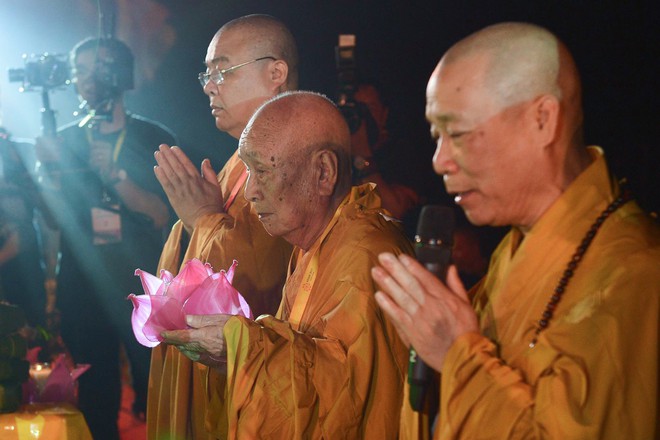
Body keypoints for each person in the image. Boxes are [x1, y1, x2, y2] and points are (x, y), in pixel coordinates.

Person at [371, 22, 660, 439]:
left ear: (542, 119)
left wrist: (457, 354)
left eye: (458, 134)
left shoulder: (636, 276)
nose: (439, 161)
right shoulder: (514, 248)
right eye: (437, 136)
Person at [161, 91, 411, 438]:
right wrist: (231, 356)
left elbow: (348, 404)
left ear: (324, 172)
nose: (250, 192)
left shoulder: (366, 256)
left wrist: (246, 348)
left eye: (262, 170)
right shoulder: (317, 239)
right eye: (248, 171)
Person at [147, 14, 297, 439]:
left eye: (222, 72)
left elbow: (259, 281)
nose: (210, 87)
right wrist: (193, 220)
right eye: (206, 75)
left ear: (275, 74)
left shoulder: (287, 158)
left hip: (254, 376)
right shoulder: (239, 161)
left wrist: (202, 218)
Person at [36, 37, 177, 439]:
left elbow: (162, 216)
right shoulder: (62, 139)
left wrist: (116, 176)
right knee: (97, 398)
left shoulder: (153, 138)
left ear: (120, 74)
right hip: (84, 284)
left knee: (158, 392)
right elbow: (51, 219)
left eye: (94, 69)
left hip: (143, 283)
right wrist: (46, 176)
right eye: (78, 71)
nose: (84, 80)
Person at [349, 82, 420, 220]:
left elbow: (394, 211)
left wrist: (362, 155)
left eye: (370, 107)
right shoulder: (336, 151)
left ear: (384, 114)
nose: (364, 117)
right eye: (358, 108)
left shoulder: (400, 152)